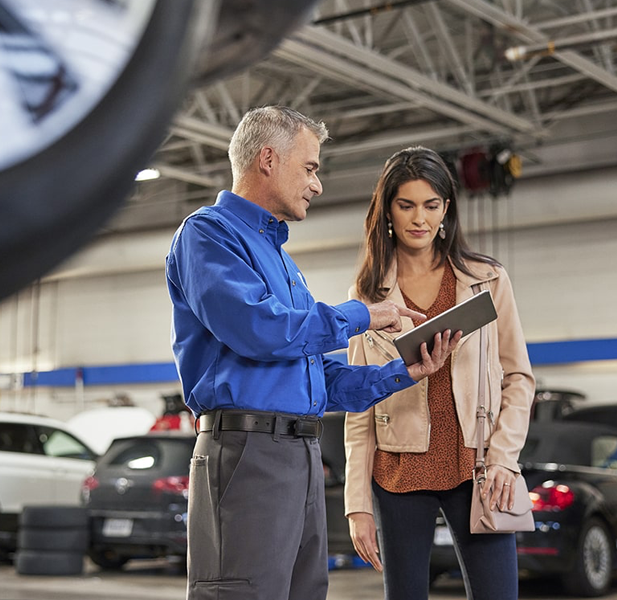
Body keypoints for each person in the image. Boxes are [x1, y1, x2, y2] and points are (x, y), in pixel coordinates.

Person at [165, 107, 461, 600]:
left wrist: (401, 372)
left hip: (300, 456)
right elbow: (259, 330)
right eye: (310, 168)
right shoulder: (208, 234)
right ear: (267, 159)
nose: (317, 185)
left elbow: (314, 375)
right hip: (246, 454)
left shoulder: (282, 260)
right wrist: (361, 315)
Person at [344, 146, 535, 600]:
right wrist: (357, 507)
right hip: (397, 473)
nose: (419, 219)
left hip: (478, 469)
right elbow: (358, 404)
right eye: (406, 205)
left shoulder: (488, 279)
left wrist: (506, 456)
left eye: (431, 205)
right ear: (387, 210)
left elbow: (519, 378)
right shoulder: (367, 295)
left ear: (447, 209)